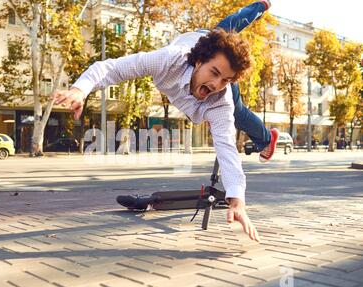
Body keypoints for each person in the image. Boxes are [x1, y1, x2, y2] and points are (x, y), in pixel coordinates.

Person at [53, 1, 276, 242]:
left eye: (225, 80)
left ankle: (265, 140)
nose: (215, 85)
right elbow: (111, 69)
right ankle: (257, 8)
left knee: (238, 112)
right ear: (198, 62)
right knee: (224, 30)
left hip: (208, 40)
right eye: (214, 74)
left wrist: (237, 199)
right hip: (199, 40)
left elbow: (226, 148)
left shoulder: (221, 97)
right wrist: (80, 89)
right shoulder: (168, 60)